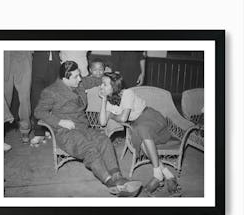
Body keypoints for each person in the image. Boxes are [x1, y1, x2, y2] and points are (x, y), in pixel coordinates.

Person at [34, 61, 142, 196]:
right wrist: (60, 122)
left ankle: (118, 177)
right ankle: (111, 183)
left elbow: (96, 79)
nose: (80, 79)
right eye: (76, 77)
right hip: (66, 132)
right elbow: (39, 112)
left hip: (84, 128)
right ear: (65, 78)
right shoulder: (51, 92)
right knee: (90, 149)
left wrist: (110, 73)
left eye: (79, 75)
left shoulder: (80, 83)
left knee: (104, 140)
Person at [99, 72, 180, 196]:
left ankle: (158, 175)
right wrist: (104, 101)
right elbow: (103, 122)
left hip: (151, 118)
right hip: (138, 125)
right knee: (142, 140)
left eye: (104, 84)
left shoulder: (127, 93)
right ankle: (167, 175)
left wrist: (113, 115)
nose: (101, 87)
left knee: (141, 130)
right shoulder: (110, 100)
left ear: (113, 86)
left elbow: (123, 118)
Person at [30, 51, 61, 146]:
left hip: (55, 63)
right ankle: (39, 131)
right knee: (36, 99)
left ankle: (50, 129)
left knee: (54, 99)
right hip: (39, 61)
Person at [4, 51, 32, 143]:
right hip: (2, 55)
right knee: (3, 98)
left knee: (25, 98)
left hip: (23, 54)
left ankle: (25, 128)